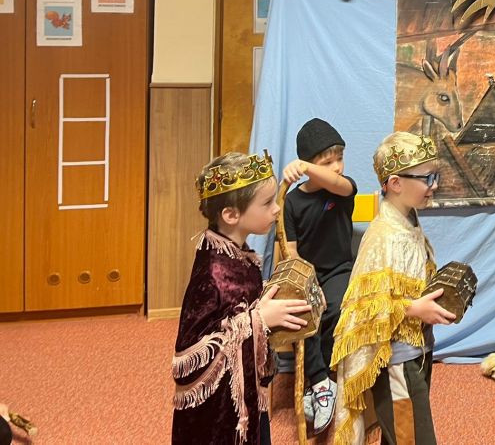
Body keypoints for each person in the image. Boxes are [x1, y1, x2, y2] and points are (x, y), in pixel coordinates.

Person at [172, 152, 311, 445]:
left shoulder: (236, 254)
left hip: (248, 398)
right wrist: (259, 318)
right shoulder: (215, 273)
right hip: (221, 419)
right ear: (231, 215)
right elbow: (187, 357)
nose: (277, 209)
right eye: (267, 203)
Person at [331, 132, 455, 445]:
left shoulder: (409, 220)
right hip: (396, 360)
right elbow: (363, 308)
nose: (433, 185)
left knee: (399, 434)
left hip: (418, 350)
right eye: (427, 178)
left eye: (435, 176)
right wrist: (414, 308)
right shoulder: (383, 237)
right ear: (396, 183)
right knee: (412, 437)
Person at [282, 118, 358, 434]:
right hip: (307, 273)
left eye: (340, 158)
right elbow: (290, 250)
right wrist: (308, 284)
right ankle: (319, 383)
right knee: (306, 311)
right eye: (327, 162)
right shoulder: (291, 201)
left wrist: (306, 167)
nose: (337, 167)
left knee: (336, 308)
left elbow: (339, 183)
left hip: (340, 269)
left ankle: (323, 377)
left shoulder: (343, 189)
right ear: (310, 163)